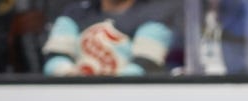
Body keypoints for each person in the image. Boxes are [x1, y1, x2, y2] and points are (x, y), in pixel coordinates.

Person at [41, 0, 179, 75]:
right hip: (76, 97)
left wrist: (107, 83)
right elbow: (54, 58)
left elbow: (145, 65)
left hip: (126, 99)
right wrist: (69, 74)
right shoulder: (75, 11)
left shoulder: (156, 15)